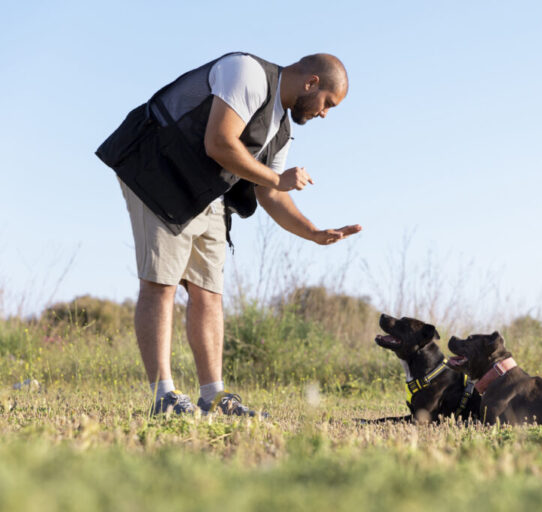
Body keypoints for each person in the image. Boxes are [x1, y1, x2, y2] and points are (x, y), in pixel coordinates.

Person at [96, 52, 361, 416]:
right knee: (162, 284)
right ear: (311, 83)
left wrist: (313, 233)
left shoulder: (282, 130)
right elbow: (219, 142)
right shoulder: (248, 74)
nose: (325, 113)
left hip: (206, 191)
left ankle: (214, 397)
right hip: (158, 170)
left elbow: (270, 193)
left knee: (209, 293)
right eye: (327, 103)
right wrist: (274, 178)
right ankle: (164, 396)